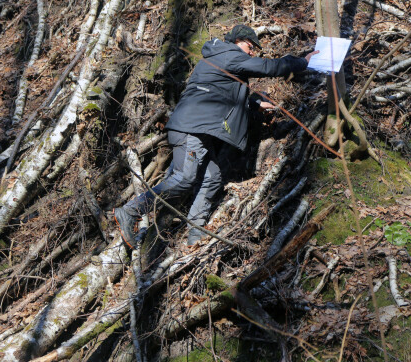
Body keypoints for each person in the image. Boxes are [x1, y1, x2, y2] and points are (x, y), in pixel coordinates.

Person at [113, 24, 318, 248]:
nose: (252, 52)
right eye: (250, 47)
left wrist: (254, 104)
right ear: (238, 41)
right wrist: (303, 62)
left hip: (199, 127)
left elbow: (223, 96)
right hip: (192, 127)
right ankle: (130, 211)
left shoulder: (221, 59)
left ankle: (195, 235)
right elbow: (269, 66)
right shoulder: (229, 55)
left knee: (212, 177)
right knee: (184, 177)